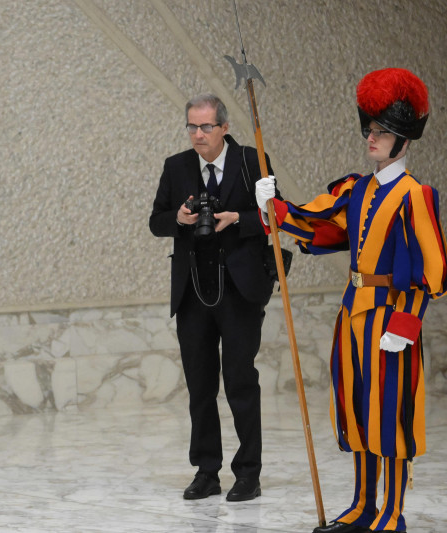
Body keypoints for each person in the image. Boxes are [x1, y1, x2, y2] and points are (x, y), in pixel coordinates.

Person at [255, 68, 447, 533]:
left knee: (392, 417)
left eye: (382, 131)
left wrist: (405, 326)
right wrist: (274, 206)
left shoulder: (416, 195)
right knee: (358, 412)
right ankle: (364, 505)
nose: (372, 137)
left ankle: (391, 513)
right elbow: (318, 224)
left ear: (404, 139)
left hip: (391, 321)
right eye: (371, 128)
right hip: (353, 315)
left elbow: (435, 272)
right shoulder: (357, 188)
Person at [149, 94, 278, 502]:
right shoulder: (177, 166)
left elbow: (276, 215)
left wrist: (236, 218)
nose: (198, 135)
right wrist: (180, 219)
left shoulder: (251, 160)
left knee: (241, 381)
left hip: (239, 291)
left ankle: (248, 474)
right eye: (192, 127)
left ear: (224, 126)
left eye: (205, 127)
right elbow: (156, 221)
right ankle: (206, 471)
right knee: (200, 386)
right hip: (193, 293)